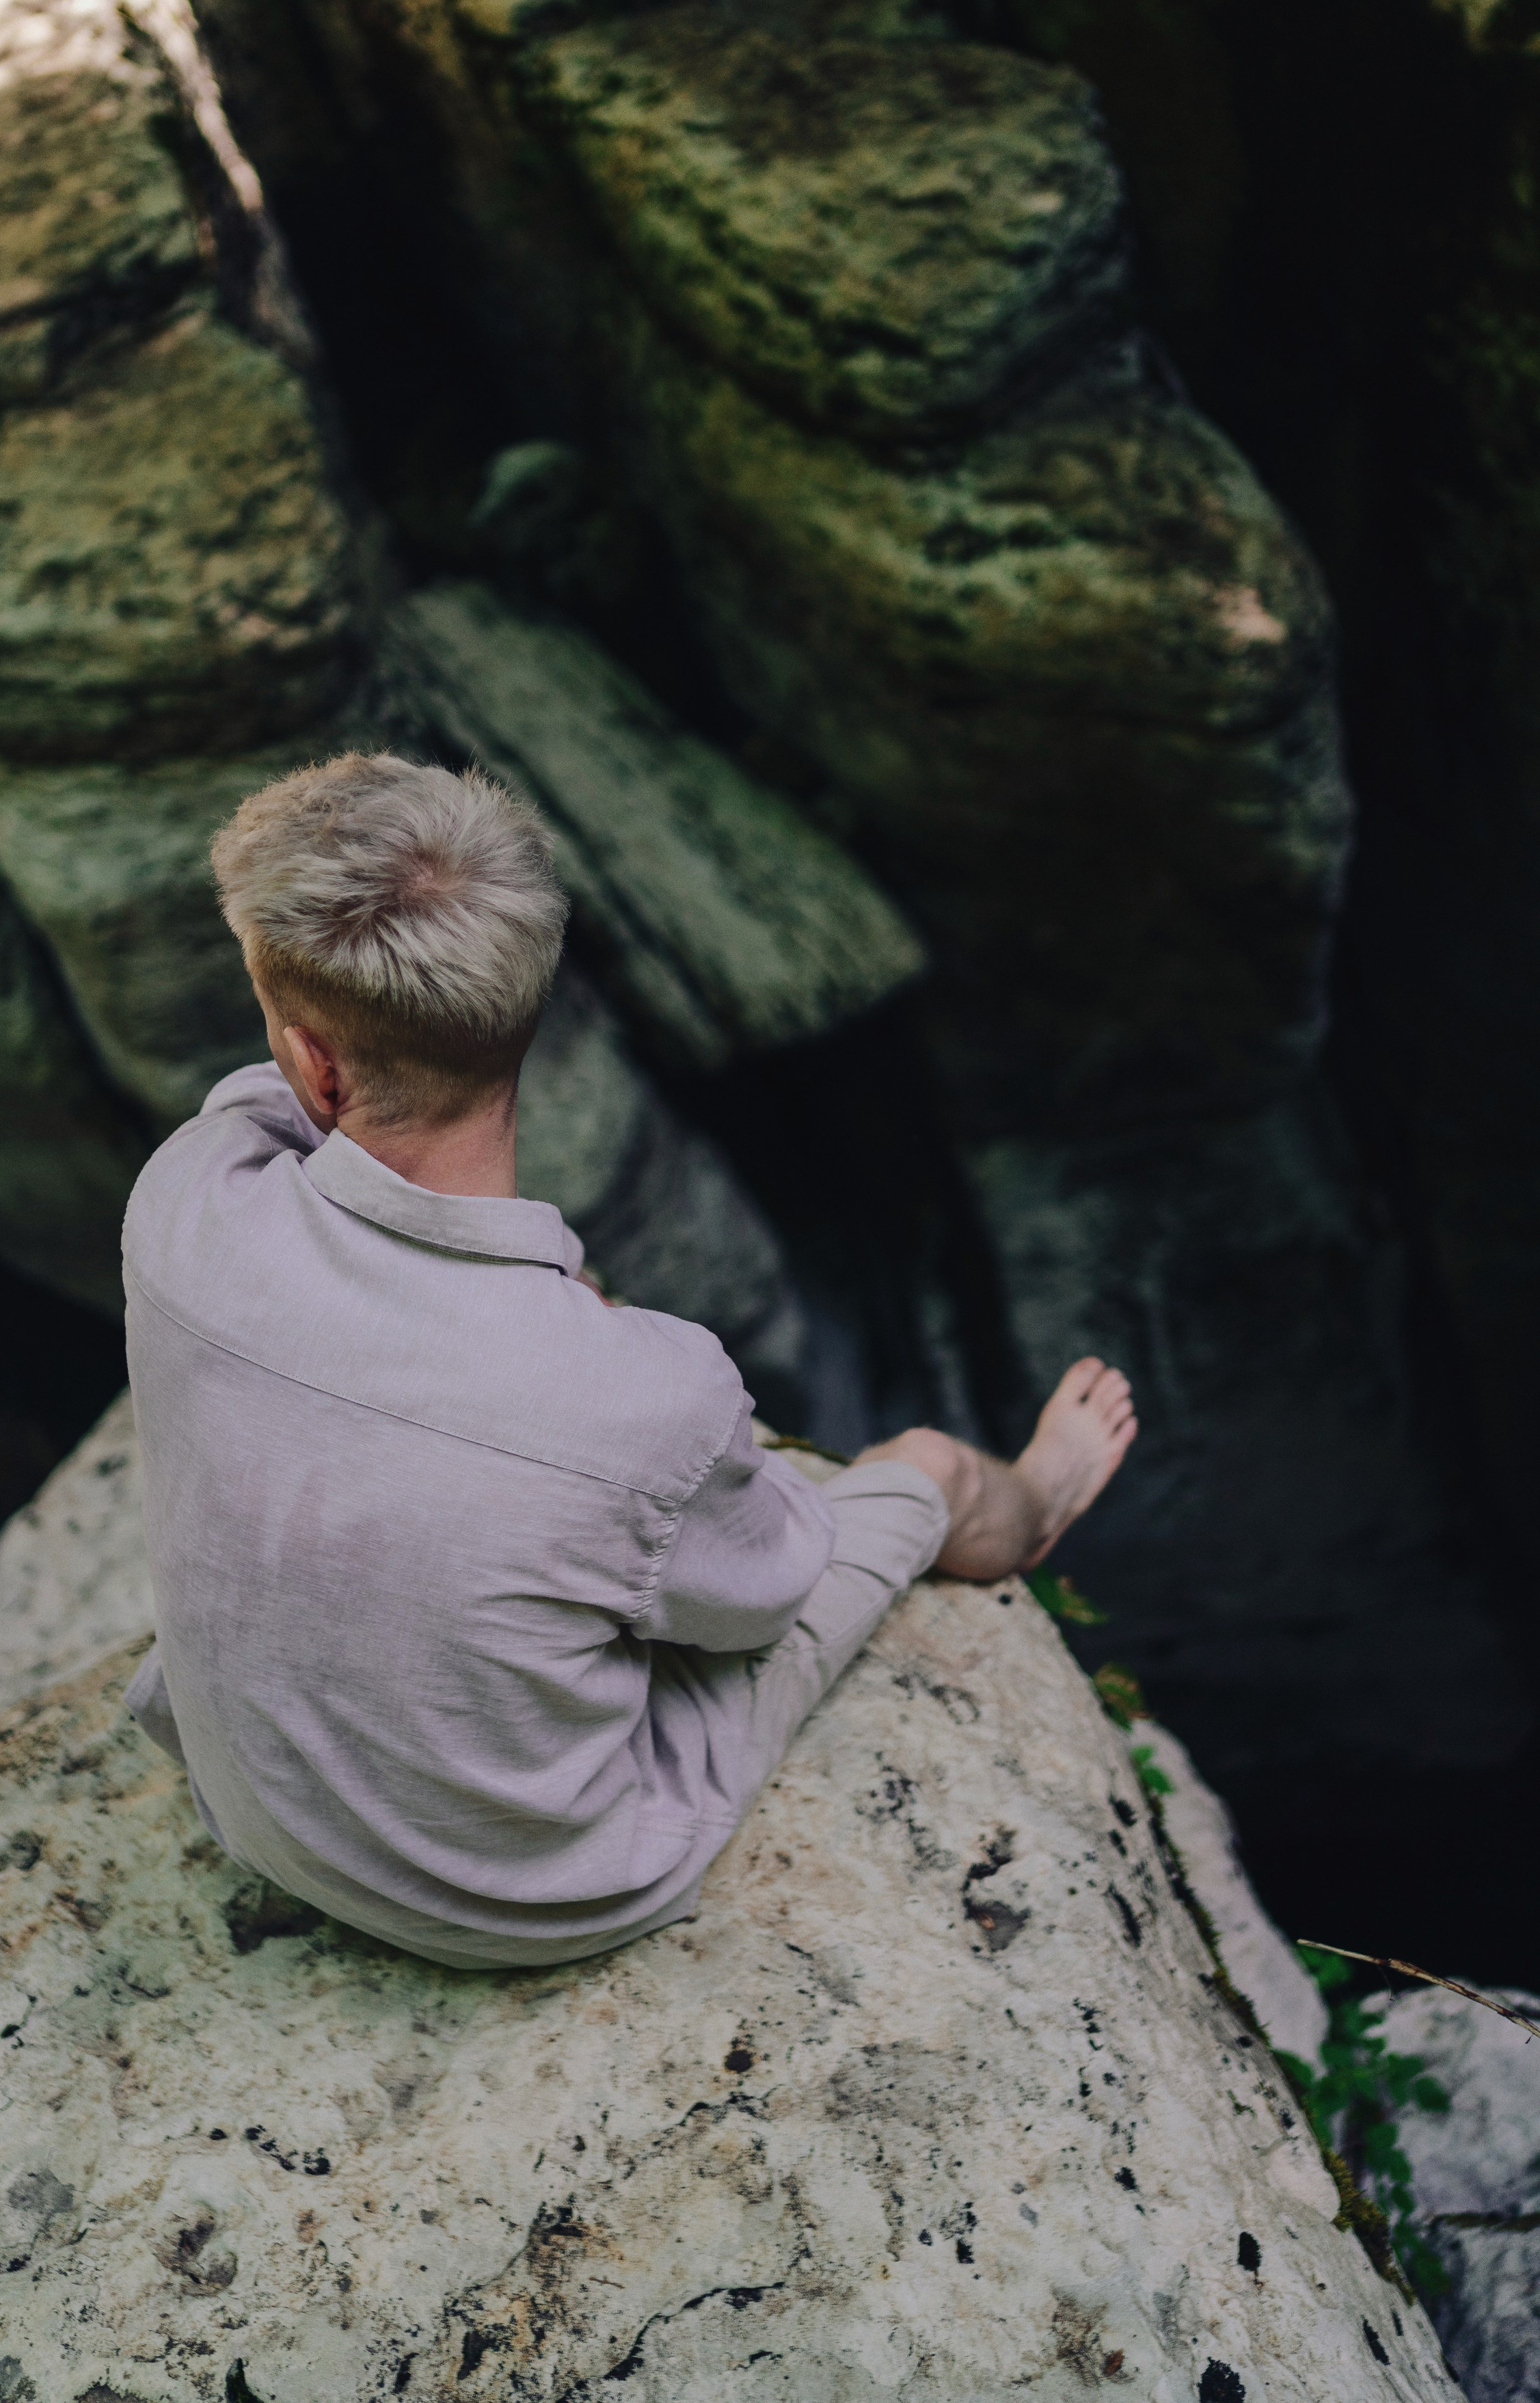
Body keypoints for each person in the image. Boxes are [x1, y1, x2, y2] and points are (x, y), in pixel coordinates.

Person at [122, 752, 1136, 1968]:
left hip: (259, 1814)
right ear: (524, 1006)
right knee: (921, 1464)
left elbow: (288, 1126)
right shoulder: (656, 1397)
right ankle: (1038, 1502)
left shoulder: (186, 1197)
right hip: (518, 1901)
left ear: (313, 1061)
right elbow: (753, 1604)